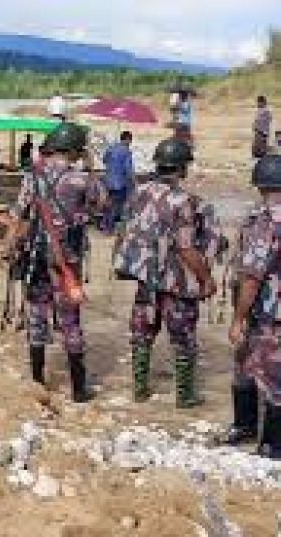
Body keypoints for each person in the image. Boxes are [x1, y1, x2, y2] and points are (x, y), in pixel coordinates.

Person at [113, 138, 221, 408]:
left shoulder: (139, 192)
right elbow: (186, 248)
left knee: (142, 333)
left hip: (146, 279)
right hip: (177, 283)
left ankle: (140, 389)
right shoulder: (184, 201)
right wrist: (207, 279)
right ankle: (185, 396)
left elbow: (125, 230)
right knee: (183, 338)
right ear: (182, 168)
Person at [5, 123, 107, 403]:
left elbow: (18, 215)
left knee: (36, 317)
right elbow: (102, 204)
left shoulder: (33, 176)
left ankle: (38, 380)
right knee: (70, 321)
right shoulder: (81, 179)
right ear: (75, 150)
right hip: (66, 261)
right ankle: (79, 390)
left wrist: (9, 249)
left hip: (36, 257)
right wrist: (90, 167)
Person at [223, 155, 281, 459]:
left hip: (267, 313)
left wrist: (237, 319)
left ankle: (269, 442)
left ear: (260, 185)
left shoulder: (264, 221)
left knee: (264, 373)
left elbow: (251, 277)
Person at [102, 131, 135, 233]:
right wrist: (134, 182)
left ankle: (104, 224)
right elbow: (128, 169)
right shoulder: (126, 151)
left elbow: (104, 160)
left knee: (108, 204)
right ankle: (109, 228)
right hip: (119, 183)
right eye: (130, 140)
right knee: (116, 206)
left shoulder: (111, 148)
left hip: (108, 181)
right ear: (128, 139)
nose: (130, 143)